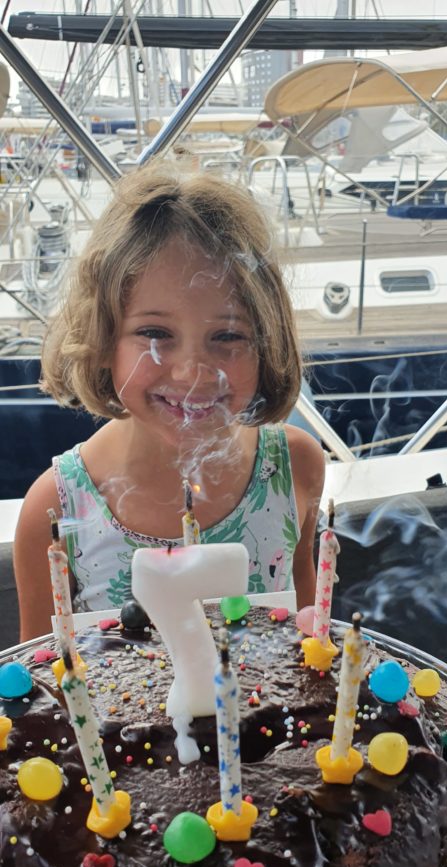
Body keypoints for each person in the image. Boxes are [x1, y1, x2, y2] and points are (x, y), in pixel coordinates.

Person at [14, 163, 325, 641]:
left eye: (228, 335)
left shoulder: (295, 467)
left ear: (267, 344)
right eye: (155, 333)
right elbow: (37, 674)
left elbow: (310, 639)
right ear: (104, 339)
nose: (192, 372)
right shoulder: (54, 510)